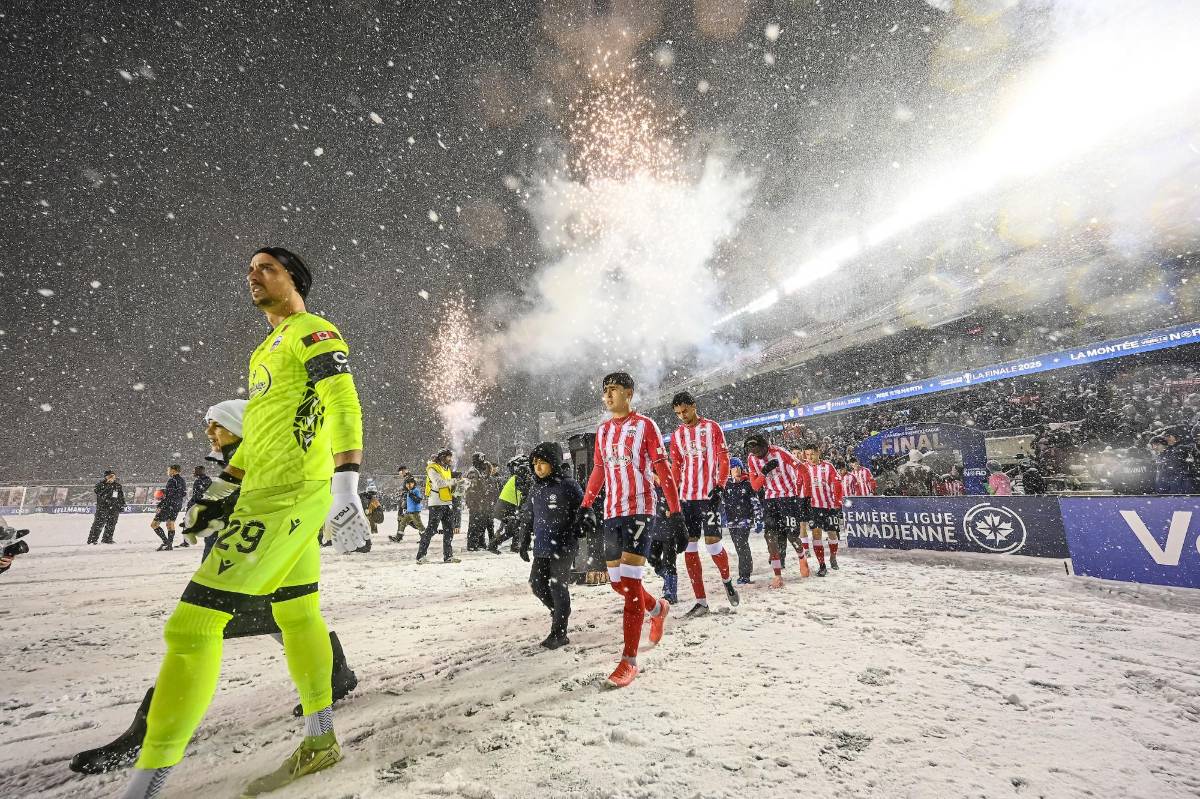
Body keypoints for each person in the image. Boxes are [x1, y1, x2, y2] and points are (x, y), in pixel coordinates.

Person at [119, 246, 371, 798]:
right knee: (297, 611)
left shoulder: (313, 328)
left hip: (287, 498)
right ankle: (320, 738)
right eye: (251, 270)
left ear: (294, 279)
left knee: (191, 628)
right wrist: (222, 488)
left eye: (268, 268)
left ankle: (145, 787)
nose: (254, 276)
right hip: (268, 493)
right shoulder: (263, 351)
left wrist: (347, 480)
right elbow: (259, 431)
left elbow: (344, 400)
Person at [72, 397, 358, 777]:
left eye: (217, 425)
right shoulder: (238, 465)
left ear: (244, 430)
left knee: (196, 631)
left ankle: (146, 739)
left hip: (259, 560)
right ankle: (336, 675)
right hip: (251, 562)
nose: (209, 431)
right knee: (288, 619)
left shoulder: (275, 463)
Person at [579, 372, 680, 687]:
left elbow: (662, 469)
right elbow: (599, 469)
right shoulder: (603, 430)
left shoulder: (646, 426)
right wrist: (586, 504)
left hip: (640, 511)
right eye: (604, 391)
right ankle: (657, 607)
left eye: (613, 390)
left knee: (632, 585)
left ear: (629, 393)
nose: (608, 396)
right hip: (612, 513)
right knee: (618, 584)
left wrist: (675, 512)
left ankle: (629, 660)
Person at [668, 391, 738, 616]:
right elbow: (676, 467)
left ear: (693, 406)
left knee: (712, 545)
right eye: (678, 413)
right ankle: (701, 602)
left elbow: (723, 459)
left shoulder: (712, 428)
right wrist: (673, 497)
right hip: (687, 499)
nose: (682, 416)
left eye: (685, 410)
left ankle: (726, 581)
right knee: (689, 547)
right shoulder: (677, 435)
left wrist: (720, 485)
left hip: (708, 496)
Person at [518, 442, 586, 649]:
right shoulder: (535, 488)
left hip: (563, 546)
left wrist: (581, 524)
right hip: (542, 546)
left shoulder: (568, 485)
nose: (538, 467)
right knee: (537, 585)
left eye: (543, 463)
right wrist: (523, 539)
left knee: (558, 586)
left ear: (554, 463)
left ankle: (559, 632)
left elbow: (584, 509)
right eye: (535, 463)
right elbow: (528, 516)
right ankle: (558, 612)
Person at [744, 432, 809, 589]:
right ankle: (777, 575)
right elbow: (755, 486)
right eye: (753, 452)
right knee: (770, 536)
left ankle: (802, 556)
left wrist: (805, 497)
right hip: (770, 499)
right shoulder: (752, 459)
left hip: (788, 498)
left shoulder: (780, 453)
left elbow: (804, 471)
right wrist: (764, 471)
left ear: (765, 446)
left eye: (758, 451)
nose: (756, 455)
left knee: (792, 536)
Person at [798, 443, 843, 576]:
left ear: (818, 453)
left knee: (832, 534)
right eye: (807, 455)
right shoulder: (804, 467)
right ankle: (822, 565)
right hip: (813, 507)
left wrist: (837, 501)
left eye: (812, 454)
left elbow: (837, 484)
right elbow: (799, 483)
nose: (810, 457)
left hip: (829, 506)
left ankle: (833, 556)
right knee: (816, 534)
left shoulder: (828, 467)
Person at [417, 448, 460, 563]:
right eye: (448, 457)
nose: (450, 459)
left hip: (446, 502)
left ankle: (448, 556)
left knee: (449, 531)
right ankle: (421, 556)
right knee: (431, 530)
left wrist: (459, 485)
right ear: (442, 457)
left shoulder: (446, 469)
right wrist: (454, 481)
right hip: (436, 503)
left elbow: (448, 484)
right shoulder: (432, 468)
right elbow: (439, 483)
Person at [723, 458, 759, 585]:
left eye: (738, 467)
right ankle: (747, 567)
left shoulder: (747, 483)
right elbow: (721, 502)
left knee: (741, 543)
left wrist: (758, 518)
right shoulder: (726, 484)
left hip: (745, 519)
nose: (736, 470)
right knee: (739, 547)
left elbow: (755, 502)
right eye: (733, 467)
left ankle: (745, 574)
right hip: (732, 521)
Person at [150, 465, 187, 551]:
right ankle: (169, 544)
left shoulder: (172, 480)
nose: (168, 471)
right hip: (177, 505)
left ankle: (166, 542)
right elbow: (183, 493)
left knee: (154, 524)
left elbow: (169, 496)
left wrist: (161, 505)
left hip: (169, 505)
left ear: (174, 471)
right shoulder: (182, 480)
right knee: (170, 524)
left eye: (169, 470)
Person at [464, 453, 494, 551]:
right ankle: (472, 544)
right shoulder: (473, 472)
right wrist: (475, 501)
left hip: (481, 501)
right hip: (475, 502)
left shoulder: (479, 471)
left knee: (481, 523)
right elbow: (471, 488)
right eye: (481, 461)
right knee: (474, 524)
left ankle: (480, 542)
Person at [178, 467, 213, 549]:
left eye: (195, 471)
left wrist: (194, 502)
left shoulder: (204, 480)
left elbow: (202, 494)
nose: (193, 472)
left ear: (200, 471)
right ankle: (186, 541)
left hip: (198, 504)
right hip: (197, 504)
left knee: (192, 521)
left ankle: (207, 541)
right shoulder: (202, 480)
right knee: (189, 521)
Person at [87, 470, 124, 545]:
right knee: (98, 524)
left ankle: (107, 539)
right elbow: (99, 493)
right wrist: (108, 486)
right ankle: (92, 540)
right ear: (106, 477)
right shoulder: (100, 485)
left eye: (113, 476)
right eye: (110, 476)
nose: (112, 478)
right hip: (102, 508)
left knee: (111, 524)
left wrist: (121, 505)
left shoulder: (117, 486)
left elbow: (120, 497)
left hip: (114, 508)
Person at [390, 476, 424, 542]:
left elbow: (419, 500)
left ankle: (424, 538)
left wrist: (412, 495)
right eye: (407, 484)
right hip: (408, 512)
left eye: (410, 483)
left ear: (414, 483)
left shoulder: (416, 490)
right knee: (402, 523)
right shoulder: (409, 491)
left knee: (419, 525)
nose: (408, 485)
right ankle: (398, 537)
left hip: (414, 512)